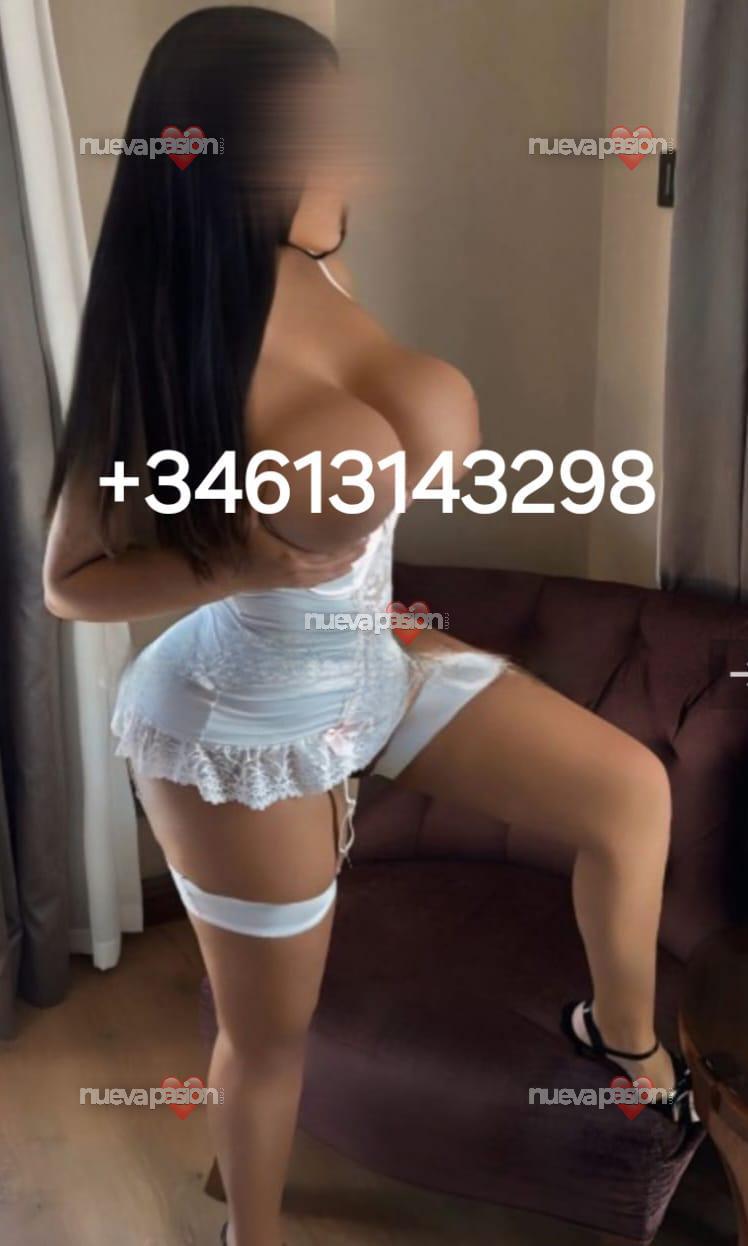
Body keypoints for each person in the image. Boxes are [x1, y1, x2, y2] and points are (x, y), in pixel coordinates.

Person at [42, 8, 694, 1246]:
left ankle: (623, 1049)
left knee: (628, 794)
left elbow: (357, 476)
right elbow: (71, 582)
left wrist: (364, 598)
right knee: (270, 1037)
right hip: (238, 724)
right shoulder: (154, 343)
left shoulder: (321, 270)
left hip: (371, 663)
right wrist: (243, 556)